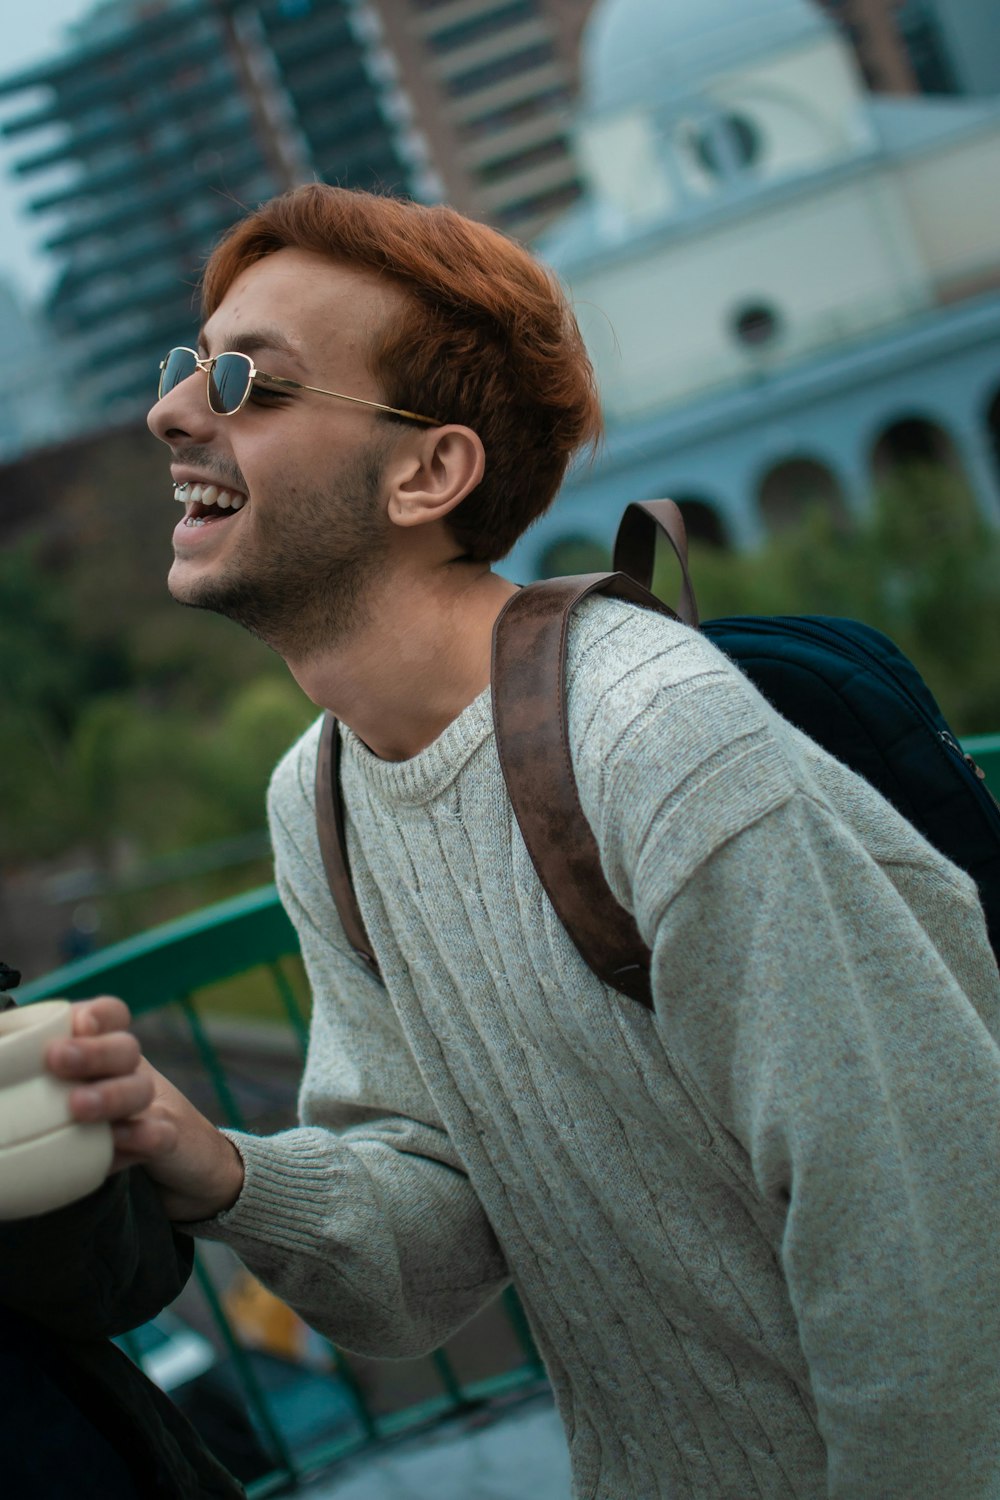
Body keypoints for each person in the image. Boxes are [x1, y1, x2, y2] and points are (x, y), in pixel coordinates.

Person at [44, 184, 1000, 1498]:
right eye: (185, 366)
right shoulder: (314, 796)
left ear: (428, 473)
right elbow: (426, 1256)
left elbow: (930, 1252)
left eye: (248, 383)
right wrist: (216, 1167)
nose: (171, 410)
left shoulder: (654, 739)